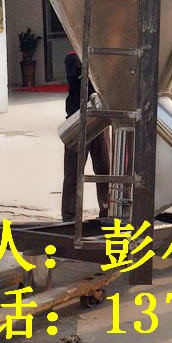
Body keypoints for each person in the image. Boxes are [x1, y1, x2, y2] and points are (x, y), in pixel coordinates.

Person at [61, 51, 111, 222]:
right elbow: (75, 78)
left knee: (105, 168)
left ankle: (107, 210)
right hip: (78, 121)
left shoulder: (103, 58)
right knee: (73, 171)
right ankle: (70, 215)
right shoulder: (73, 58)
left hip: (100, 121)